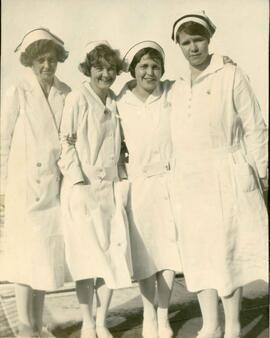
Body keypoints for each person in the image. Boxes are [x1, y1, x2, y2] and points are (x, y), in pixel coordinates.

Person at [170, 10, 268, 338]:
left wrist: (264, 171)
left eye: (198, 40)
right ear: (178, 46)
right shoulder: (178, 86)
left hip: (226, 172)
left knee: (227, 253)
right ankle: (210, 324)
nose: (193, 48)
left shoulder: (231, 74)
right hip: (191, 180)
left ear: (209, 39)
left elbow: (255, 126)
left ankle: (234, 326)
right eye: (186, 42)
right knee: (199, 252)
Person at [58, 41, 132, 338]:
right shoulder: (77, 98)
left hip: (110, 189)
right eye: (99, 68)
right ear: (89, 69)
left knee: (111, 257)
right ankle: (88, 322)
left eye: (110, 69)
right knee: (86, 259)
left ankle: (102, 321)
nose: (105, 74)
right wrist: (78, 180)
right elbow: (65, 142)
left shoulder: (115, 100)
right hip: (82, 189)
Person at [0, 28, 71, 337]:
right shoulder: (17, 91)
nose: (47, 66)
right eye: (41, 60)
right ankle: (26, 327)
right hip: (22, 188)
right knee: (22, 258)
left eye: (52, 60)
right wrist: (1, 187)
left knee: (46, 256)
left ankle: (40, 324)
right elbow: (2, 140)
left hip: (53, 188)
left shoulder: (66, 92)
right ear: (30, 61)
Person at [117, 41, 183, 338]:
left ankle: (163, 314)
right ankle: (147, 314)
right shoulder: (120, 102)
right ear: (133, 70)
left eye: (155, 66)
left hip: (169, 182)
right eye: (143, 66)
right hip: (139, 186)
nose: (150, 72)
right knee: (145, 254)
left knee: (168, 253)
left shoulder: (171, 93)